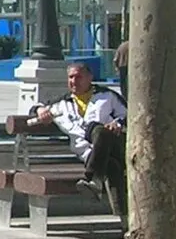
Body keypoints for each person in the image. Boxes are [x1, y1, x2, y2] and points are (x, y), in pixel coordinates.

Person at [32, 62, 128, 224]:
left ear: (90, 78)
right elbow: (35, 109)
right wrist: (39, 111)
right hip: (89, 153)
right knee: (112, 167)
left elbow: (128, 114)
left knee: (99, 131)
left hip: (113, 143)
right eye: (71, 77)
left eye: (78, 77)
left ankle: (92, 177)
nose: (74, 81)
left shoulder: (107, 96)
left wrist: (117, 124)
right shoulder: (62, 103)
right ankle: (125, 221)